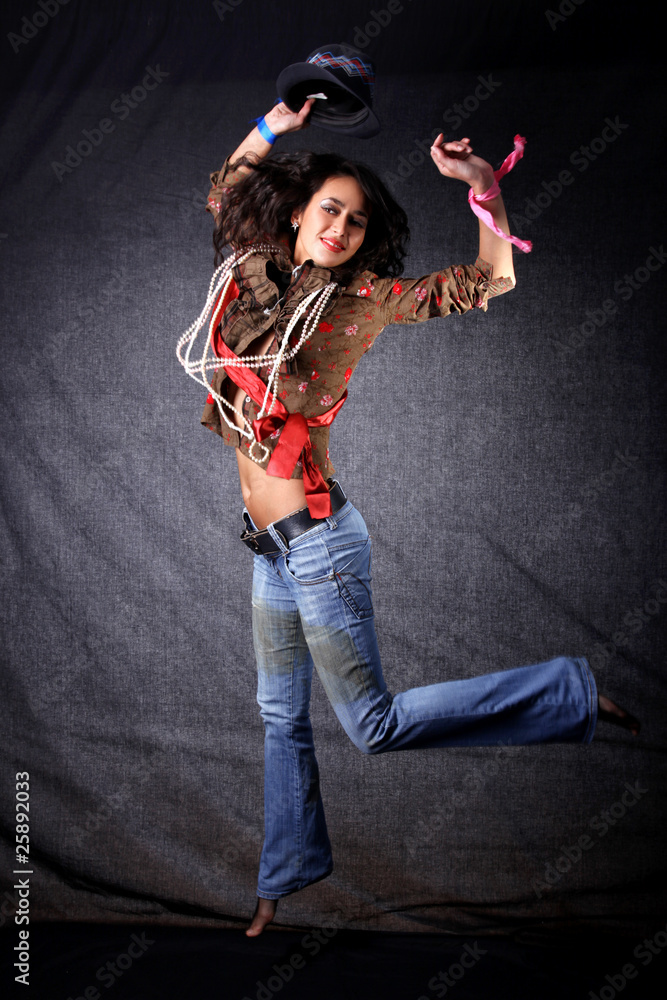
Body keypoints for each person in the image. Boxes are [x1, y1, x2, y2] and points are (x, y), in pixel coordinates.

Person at [178, 97, 640, 938]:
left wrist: (482, 187)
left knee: (372, 726)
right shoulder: (249, 269)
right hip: (270, 550)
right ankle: (279, 883)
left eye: (356, 221)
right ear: (298, 211)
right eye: (329, 209)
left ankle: (566, 693)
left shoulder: (363, 300)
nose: (340, 228)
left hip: (319, 545)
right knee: (279, 716)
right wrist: (278, 120)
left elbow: (490, 281)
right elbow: (228, 187)